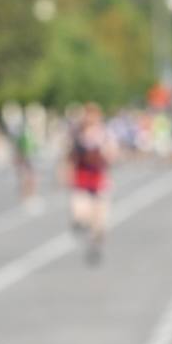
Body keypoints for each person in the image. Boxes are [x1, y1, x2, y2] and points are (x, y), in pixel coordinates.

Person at [66, 103, 113, 265]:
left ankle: (95, 245)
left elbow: (112, 155)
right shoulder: (77, 135)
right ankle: (81, 225)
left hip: (99, 180)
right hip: (82, 179)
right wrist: (66, 174)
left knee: (99, 223)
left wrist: (103, 149)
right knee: (81, 213)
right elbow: (70, 157)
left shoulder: (105, 135)